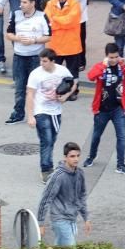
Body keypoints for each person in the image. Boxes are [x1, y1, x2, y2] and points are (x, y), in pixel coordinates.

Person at [84, 42, 125, 175]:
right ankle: (91, 156)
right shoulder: (101, 67)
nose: (113, 60)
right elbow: (90, 77)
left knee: (121, 137)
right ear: (106, 56)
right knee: (96, 135)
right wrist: (103, 65)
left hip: (118, 109)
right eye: (111, 57)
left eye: (116, 57)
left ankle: (120, 165)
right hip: (102, 109)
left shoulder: (123, 67)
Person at [26, 49, 78, 182]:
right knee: (47, 140)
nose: (42, 64)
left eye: (45, 61)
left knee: (52, 139)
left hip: (56, 111)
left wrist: (65, 96)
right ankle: (46, 169)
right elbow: (30, 95)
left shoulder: (62, 71)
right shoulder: (35, 74)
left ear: (53, 61)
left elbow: (73, 83)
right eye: (41, 61)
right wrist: (31, 116)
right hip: (41, 111)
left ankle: (47, 164)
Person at [5, 0, 51, 124]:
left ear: (32, 3)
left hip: (36, 58)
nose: (21, 5)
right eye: (21, 2)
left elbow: (48, 36)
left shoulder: (42, 16)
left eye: (25, 2)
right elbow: (9, 34)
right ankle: (18, 113)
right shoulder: (16, 14)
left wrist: (34, 41)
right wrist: (17, 38)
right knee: (19, 88)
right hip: (19, 57)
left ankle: (38, 114)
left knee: (37, 88)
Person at [37, 142, 90, 246]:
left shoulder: (80, 173)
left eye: (78, 156)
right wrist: (40, 224)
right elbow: (45, 199)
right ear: (65, 157)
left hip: (72, 218)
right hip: (59, 219)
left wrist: (86, 218)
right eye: (72, 156)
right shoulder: (58, 176)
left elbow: (82, 197)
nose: (76, 159)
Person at [45, 0, 82, 83]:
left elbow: (70, 21)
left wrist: (55, 19)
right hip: (55, 46)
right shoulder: (50, 3)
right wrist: (62, 22)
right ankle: (55, 91)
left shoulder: (75, 3)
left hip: (71, 46)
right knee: (54, 72)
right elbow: (47, 22)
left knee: (72, 73)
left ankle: (73, 91)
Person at [65, 0, 90, 69]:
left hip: (79, 18)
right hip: (67, 18)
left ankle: (81, 63)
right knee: (70, 41)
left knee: (80, 40)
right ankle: (71, 61)